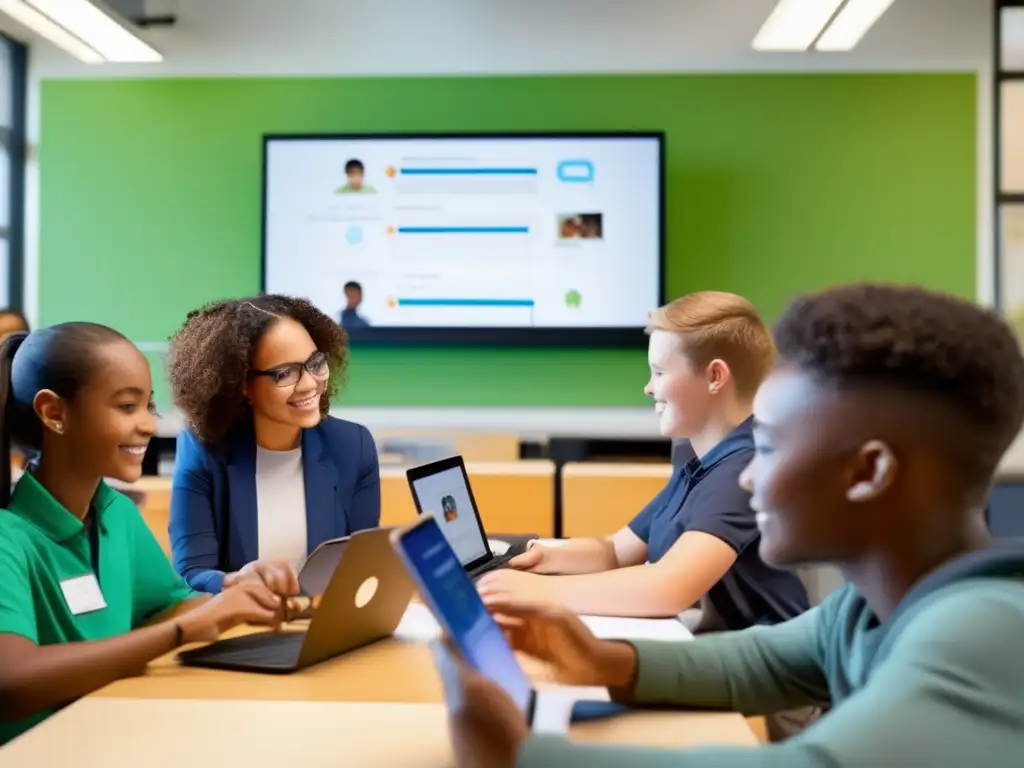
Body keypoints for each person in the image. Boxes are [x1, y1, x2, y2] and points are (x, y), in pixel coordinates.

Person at [440, 283, 1024, 767]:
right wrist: (598, 659)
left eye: (769, 447)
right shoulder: (866, 608)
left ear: (868, 471)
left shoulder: (982, 634)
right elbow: (763, 660)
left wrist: (521, 754)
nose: (747, 478)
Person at [0, 324, 291, 745]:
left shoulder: (117, 514)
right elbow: (11, 683)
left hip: (113, 736)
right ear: (54, 413)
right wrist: (186, 631)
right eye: (126, 406)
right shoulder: (10, 536)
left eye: (148, 405)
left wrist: (232, 591)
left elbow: (168, 607)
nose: (149, 425)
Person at [477, 292, 808, 633]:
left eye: (659, 372)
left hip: (767, 669)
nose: (649, 388)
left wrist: (539, 593)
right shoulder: (697, 460)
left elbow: (667, 588)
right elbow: (617, 551)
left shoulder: (741, 470)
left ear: (715, 377)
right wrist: (548, 558)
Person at [166, 295, 380, 595]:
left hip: (324, 625)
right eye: (284, 373)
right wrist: (232, 582)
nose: (308, 384)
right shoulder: (203, 449)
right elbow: (191, 574)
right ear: (241, 384)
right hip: (241, 629)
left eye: (315, 363)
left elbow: (361, 567)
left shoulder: (353, 446)